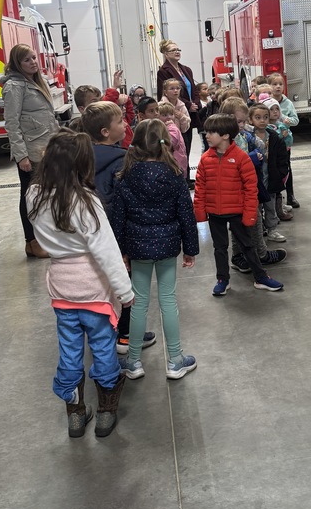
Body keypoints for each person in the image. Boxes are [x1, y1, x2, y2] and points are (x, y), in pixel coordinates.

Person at [27, 130, 133, 438]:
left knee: (69, 350)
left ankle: (75, 414)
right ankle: (106, 412)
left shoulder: (34, 196)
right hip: (93, 288)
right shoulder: (86, 201)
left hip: (61, 286)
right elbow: (106, 251)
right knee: (103, 347)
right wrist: (125, 291)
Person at [111, 120, 200, 379]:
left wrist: (120, 251)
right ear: (166, 143)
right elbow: (186, 215)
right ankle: (175, 360)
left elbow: (118, 218)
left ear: (135, 144)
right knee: (168, 300)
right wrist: (190, 249)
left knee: (138, 303)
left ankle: (134, 361)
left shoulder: (126, 176)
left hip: (137, 247)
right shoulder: (174, 175)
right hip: (167, 245)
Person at [80, 101, 156, 356]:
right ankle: (126, 335)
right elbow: (128, 201)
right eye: (119, 121)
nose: (125, 124)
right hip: (118, 233)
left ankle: (104, 332)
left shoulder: (80, 158)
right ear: (105, 132)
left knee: (102, 284)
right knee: (125, 283)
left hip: (92, 233)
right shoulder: (122, 160)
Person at [194, 113, 284, 296]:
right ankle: (222, 279)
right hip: (215, 213)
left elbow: (251, 189)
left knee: (248, 246)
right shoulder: (205, 159)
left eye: (211, 132)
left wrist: (250, 213)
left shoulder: (241, 158)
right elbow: (200, 187)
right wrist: (200, 212)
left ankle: (260, 277)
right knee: (219, 248)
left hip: (237, 212)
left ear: (226, 135)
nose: (206, 135)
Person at [1, 44, 60, 258]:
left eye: (34, 57)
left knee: (45, 196)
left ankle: (44, 238)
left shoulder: (34, 82)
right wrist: (21, 156)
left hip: (45, 149)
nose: (33, 62)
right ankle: (32, 241)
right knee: (30, 197)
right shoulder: (14, 87)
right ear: (17, 64)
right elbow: (12, 123)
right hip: (31, 152)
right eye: (26, 60)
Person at [219, 96, 286, 273]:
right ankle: (246, 256)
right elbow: (230, 163)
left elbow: (259, 145)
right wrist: (251, 158)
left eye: (243, 121)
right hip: (235, 190)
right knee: (242, 224)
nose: (241, 125)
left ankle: (255, 253)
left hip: (248, 186)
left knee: (252, 221)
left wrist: (255, 148)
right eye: (238, 122)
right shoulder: (224, 140)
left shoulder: (243, 135)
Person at [157, 39, 201, 186]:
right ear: (165, 54)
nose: (177, 52)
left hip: (189, 112)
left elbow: (193, 89)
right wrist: (188, 104)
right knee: (178, 146)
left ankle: (186, 175)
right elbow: (167, 92)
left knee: (187, 144)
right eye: (173, 50)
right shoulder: (163, 71)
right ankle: (180, 176)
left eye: (178, 49)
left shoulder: (186, 69)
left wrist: (195, 103)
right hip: (175, 111)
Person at [249, 103, 290, 242]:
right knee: (256, 207)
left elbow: (283, 158)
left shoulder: (274, 137)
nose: (262, 120)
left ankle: (272, 229)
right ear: (250, 120)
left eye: (265, 117)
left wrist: (281, 173)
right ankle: (259, 230)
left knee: (270, 206)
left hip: (270, 179)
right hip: (255, 180)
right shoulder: (248, 138)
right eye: (258, 117)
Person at [267, 73, 300, 208]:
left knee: (286, 168)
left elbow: (295, 120)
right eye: (274, 84)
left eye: (280, 84)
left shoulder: (288, 103)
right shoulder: (266, 102)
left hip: (285, 143)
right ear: (269, 86)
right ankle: (276, 198)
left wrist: (285, 119)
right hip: (270, 142)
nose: (278, 87)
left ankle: (290, 195)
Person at [264, 97, 294, 222]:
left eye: (277, 109)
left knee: (281, 181)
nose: (275, 112)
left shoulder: (281, 125)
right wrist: (281, 136)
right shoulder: (267, 128)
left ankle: (279, 207)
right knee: (273, 185)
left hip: (282, 157)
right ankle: (275, 212)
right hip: (271, 160)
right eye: (271, 109)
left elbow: (289, 141)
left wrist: (286, 133)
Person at [157, 101, 188, 173]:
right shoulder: (163, 128)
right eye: (164, 115)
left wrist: (171, 127)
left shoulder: (172, 128)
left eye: (171, 114)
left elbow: (172, 142)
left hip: (176, 165)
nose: (169, 117)